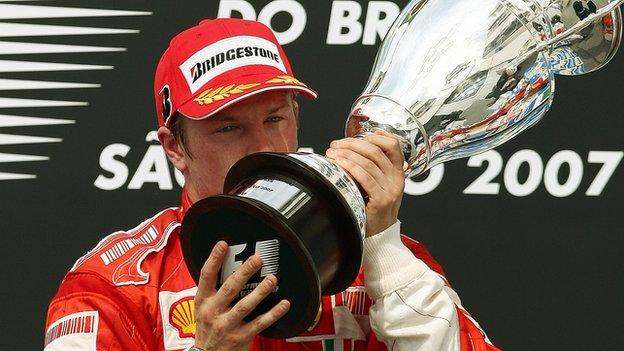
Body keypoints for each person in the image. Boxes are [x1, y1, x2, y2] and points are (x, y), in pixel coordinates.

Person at [44, 18, 501, 351]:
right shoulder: (116, 286)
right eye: (229, 128)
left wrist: (383, 245)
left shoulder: (375, 262)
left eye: (275, 118)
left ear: (297, 119)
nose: (265, 146)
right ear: (175, 147)